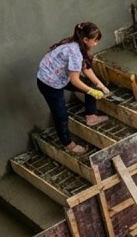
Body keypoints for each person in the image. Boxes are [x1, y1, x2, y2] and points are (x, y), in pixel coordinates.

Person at [37, 22, 111, 154]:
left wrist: (100, 85)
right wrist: (91, 91)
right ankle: (68, 143)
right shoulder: (75, 52)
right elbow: (75, 80)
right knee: (61, 114)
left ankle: (91, 116)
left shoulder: (78, 45)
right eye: (94, 41)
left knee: (88, 87)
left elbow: (86, 68)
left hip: (60, 76)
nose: (96, 44)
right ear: (85, 40)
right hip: (49, 83)